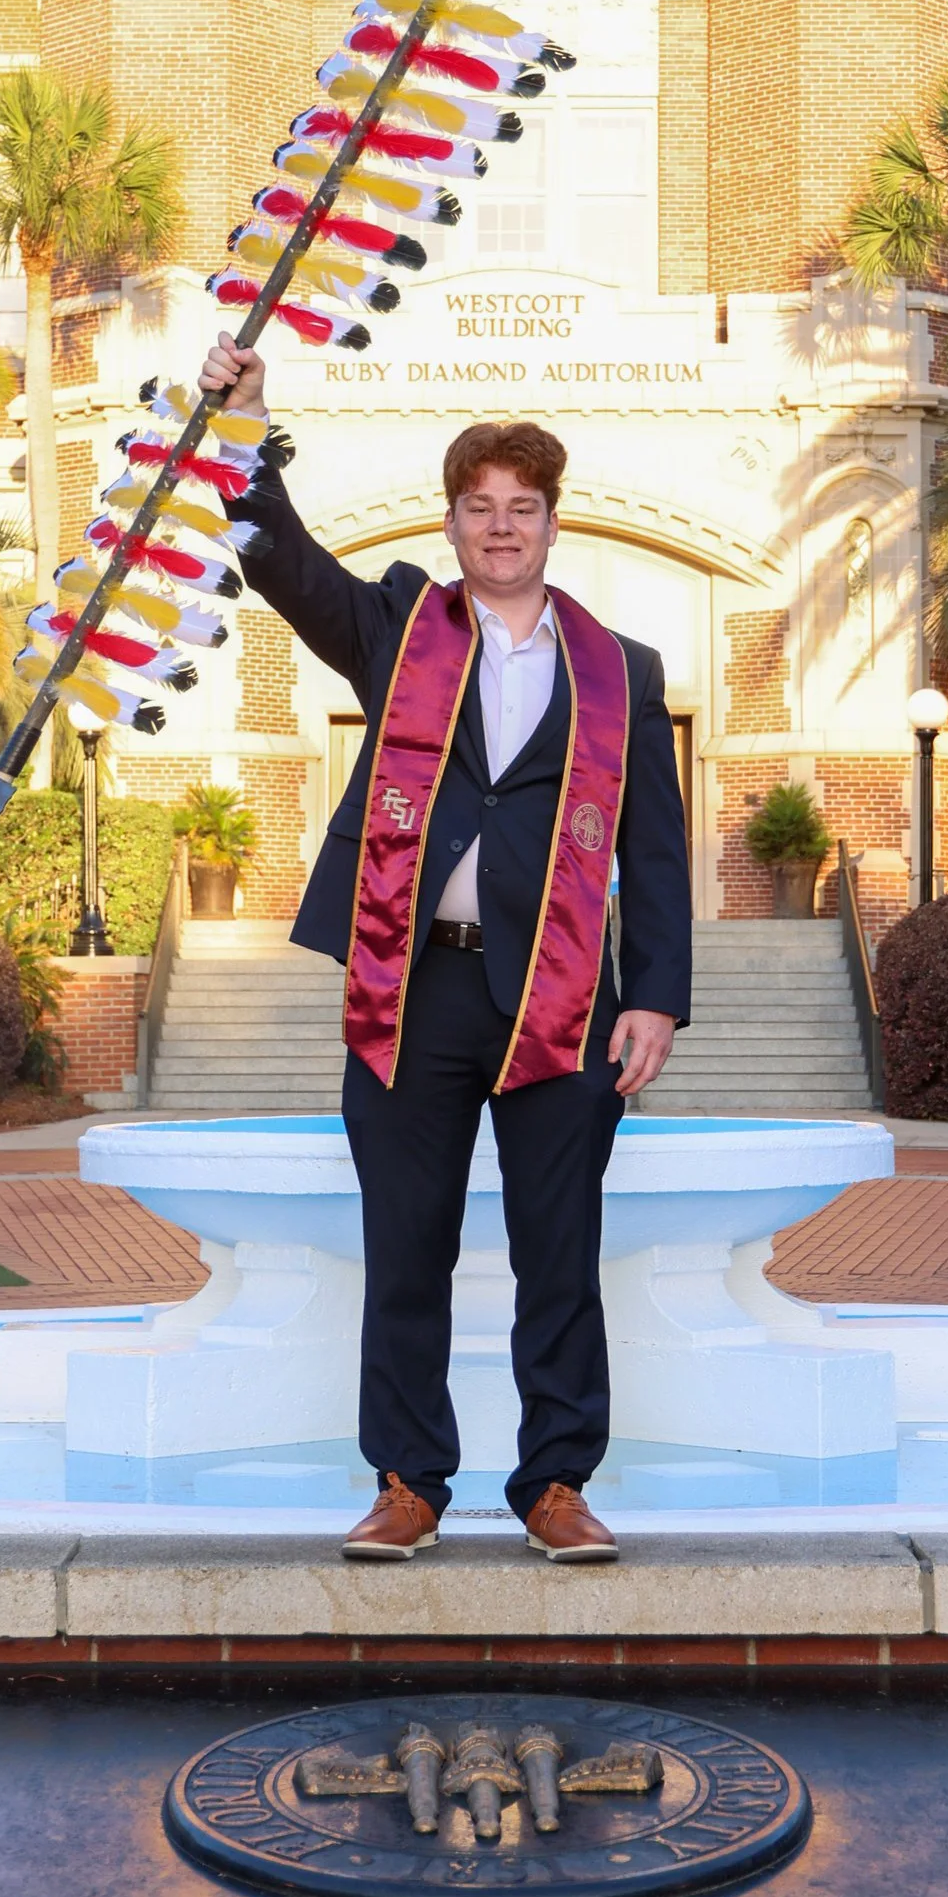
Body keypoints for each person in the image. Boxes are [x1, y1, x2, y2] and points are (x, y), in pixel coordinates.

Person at [198, 335, 691, 1562]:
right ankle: (410, 1479)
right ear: (455, 522)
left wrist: (659, 998)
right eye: (480, 509)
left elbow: (660, 850)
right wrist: (244, 428)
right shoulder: (400, 630)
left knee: (558, 1253)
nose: (501, 528)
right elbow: (283, 563)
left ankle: (555, 1486)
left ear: (552, 523)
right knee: (403, 1244)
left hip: (568, 998)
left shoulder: (619, 671)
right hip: (410, 984)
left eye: (522, 509)